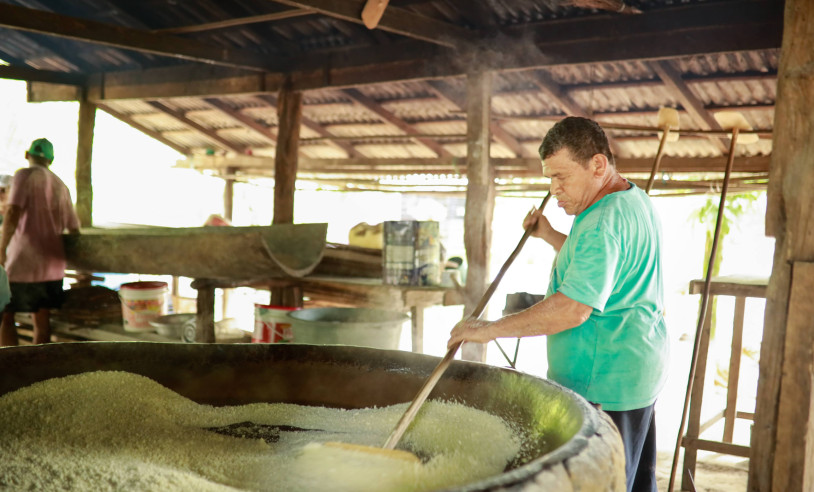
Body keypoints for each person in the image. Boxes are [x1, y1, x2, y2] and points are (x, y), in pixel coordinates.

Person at [448, 117, 668, 492]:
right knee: (627, 481)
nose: (554, 189)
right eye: (550, 178)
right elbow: (601, 267)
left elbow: (573, 308)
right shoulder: (630, 198)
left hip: (604, 384)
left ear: (597, 165)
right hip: (635, 370)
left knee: (601, 484)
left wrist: (488, 330)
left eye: (562, 177)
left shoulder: (601, 221)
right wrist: (549, 234)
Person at [0, 138, 81, 346]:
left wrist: (1, 248)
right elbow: (74, 228)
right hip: (53, 267)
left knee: (6, 317)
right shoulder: (61, 185)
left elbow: (12, 211)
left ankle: (12, 370)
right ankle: (39, 369)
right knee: (42, 320)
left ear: (27, 155)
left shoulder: (23, 175)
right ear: (51, 160)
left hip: (23, 263)